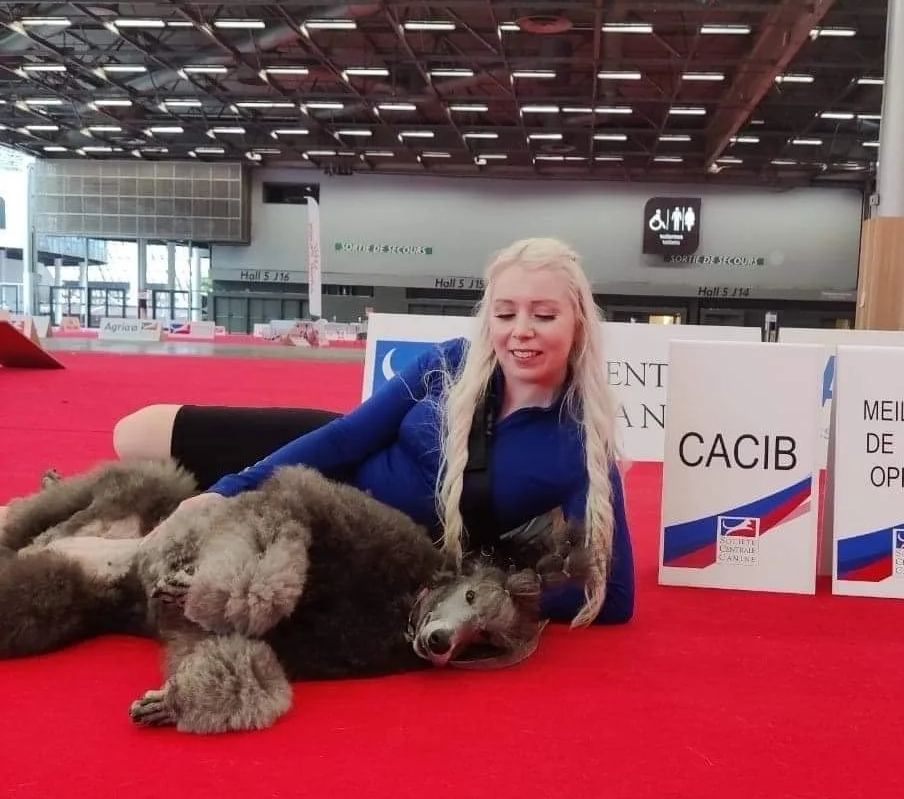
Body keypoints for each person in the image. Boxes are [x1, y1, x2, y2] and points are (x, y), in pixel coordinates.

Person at [113, 237, 634, 627]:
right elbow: (349, 436)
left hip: (360, 535)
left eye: (543, 315)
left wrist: (496, 589)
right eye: (505, 313)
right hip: (325, 457)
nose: (521, 330)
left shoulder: (579, 446)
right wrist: (226, 492)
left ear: (578, 324)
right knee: (134, 435)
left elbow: (615, 598)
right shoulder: (452, 360)